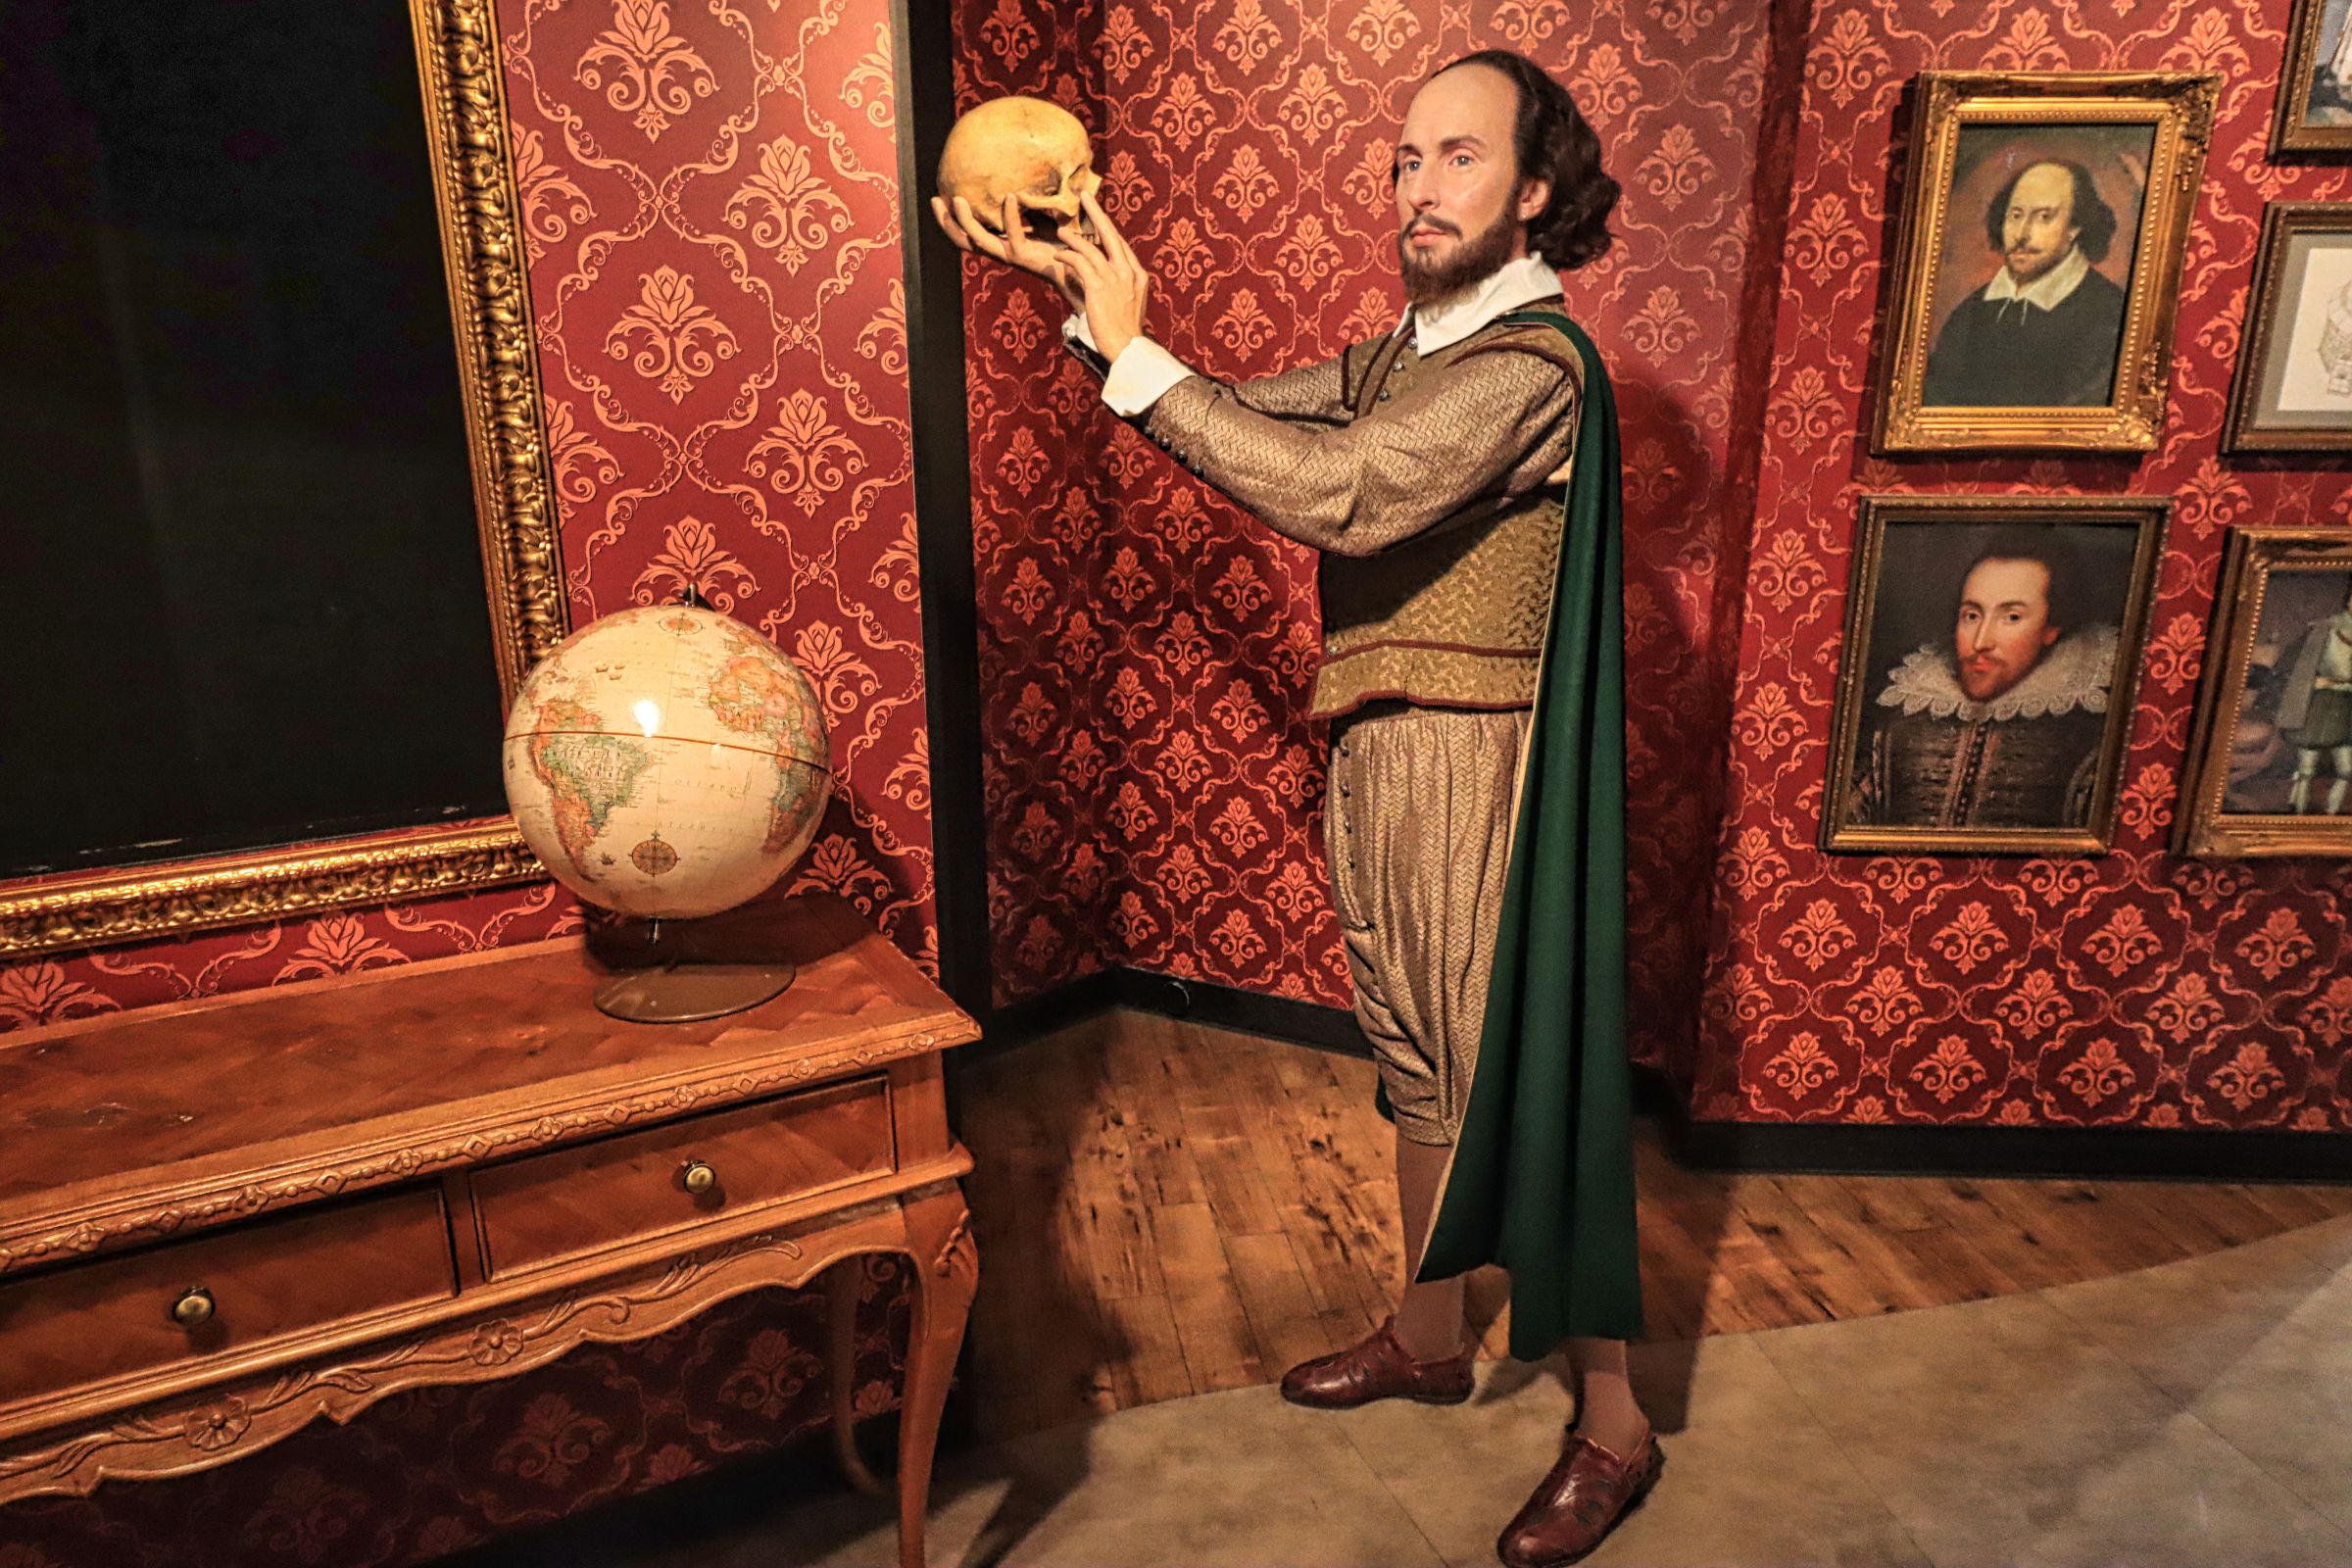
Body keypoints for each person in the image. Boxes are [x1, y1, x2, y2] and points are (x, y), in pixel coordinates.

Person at [937, 47, 1653, 1568]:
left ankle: (1617, 1425)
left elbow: (1350, 495)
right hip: (1384, 749)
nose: (1417, 186)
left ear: (1537, 191)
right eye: (1405, 158)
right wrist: (1088, 303)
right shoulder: (1409, 353)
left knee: (1507, 1075)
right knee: (1414, 1061)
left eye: (1459, 157)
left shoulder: (1528, 371)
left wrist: (1141, 360)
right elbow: (1246, 420)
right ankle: (1429, 1337)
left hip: (1480, 761)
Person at [1849, 530, 2118, 830]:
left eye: (2011, 617)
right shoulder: (1900, 718)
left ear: (2050, 629)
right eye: (1972, 616)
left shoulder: (2090, 735)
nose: (1981, 642)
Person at [1920, 159, 2130, 408]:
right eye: (2016, 215)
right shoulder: (1969, 313)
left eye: (2044, 217)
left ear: (2075, 226)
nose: (2022, 234)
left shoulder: (2110, 313)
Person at [2278, 579, 2352, 815]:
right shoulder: (2324, 629)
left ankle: (2330, 819)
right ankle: (2297, 816)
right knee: (2306, 770)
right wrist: (2313, 682)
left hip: (2347, 708)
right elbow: (2292, 667)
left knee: (2347, 771)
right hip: (2320, 705)